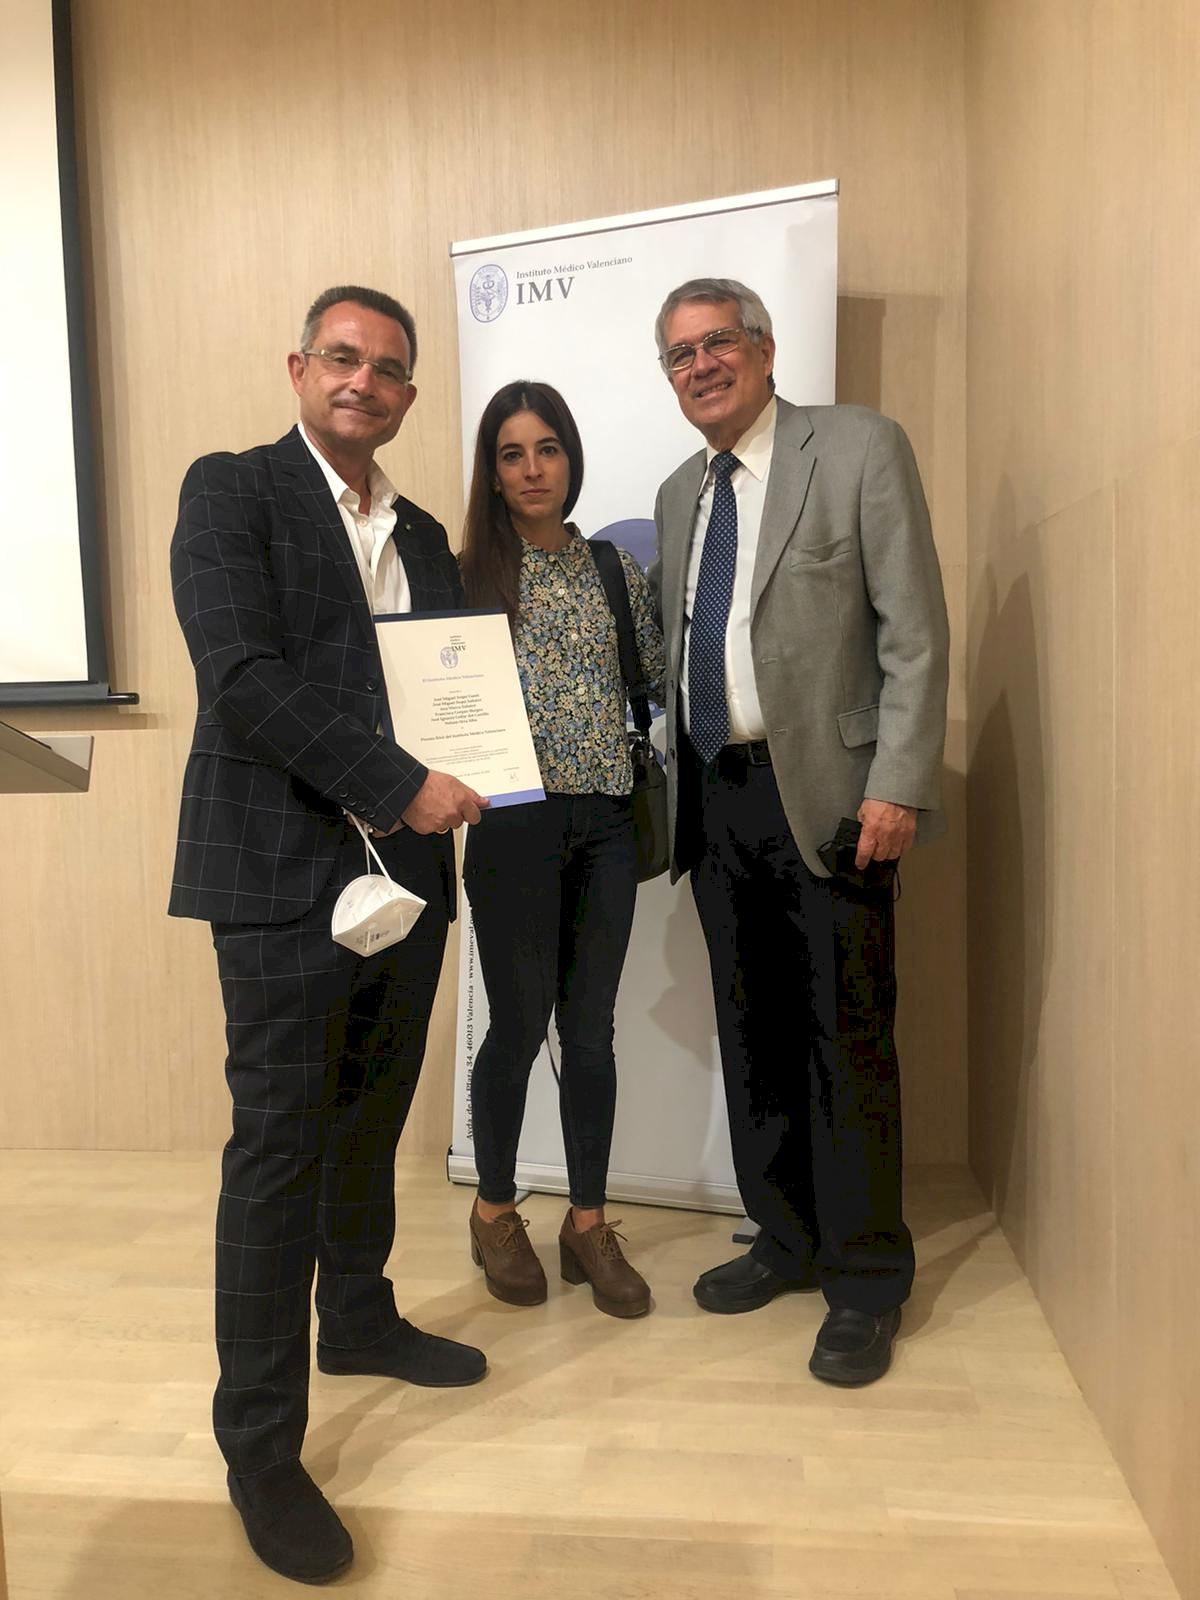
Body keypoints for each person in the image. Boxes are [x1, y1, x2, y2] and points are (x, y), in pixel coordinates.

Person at [169, 286, 489, 1585]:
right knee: (279, 1151)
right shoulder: (231, 491)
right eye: (343, 358)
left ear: (408, 395)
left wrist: (483, 772)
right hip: (279, 874)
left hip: (405, 879)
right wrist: (399, 783)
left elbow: (454, 690)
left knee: (369, 1122)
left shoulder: (422, 532)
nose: (364, 380)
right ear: (300, 367)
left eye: (389, 368)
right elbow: (242, 681)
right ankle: (259, 1446)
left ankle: (356, 1315)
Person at [649, 278, 949, 1385]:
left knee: (847, 1038)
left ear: (766, 349)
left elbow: (914, 633)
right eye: (680, 354)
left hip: (833, 797)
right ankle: (785, 1238)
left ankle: (866, 1279)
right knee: (753, 1032)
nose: (701, 366)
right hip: (715, 796)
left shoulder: (860, 447)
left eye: (718, 342)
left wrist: (898, 784)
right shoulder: (679, 493)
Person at [459, 381, 665, 1319]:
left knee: (589, 1033)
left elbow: (652, 678)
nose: (533, 468)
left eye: (547, 449)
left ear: (571, 459)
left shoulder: (615, 570)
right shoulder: (468, 577)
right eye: (513, 453)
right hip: (512, 828)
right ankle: (495, 1210)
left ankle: (587, 1224)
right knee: (516, 1027)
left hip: (606, 825)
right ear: (493, 472)